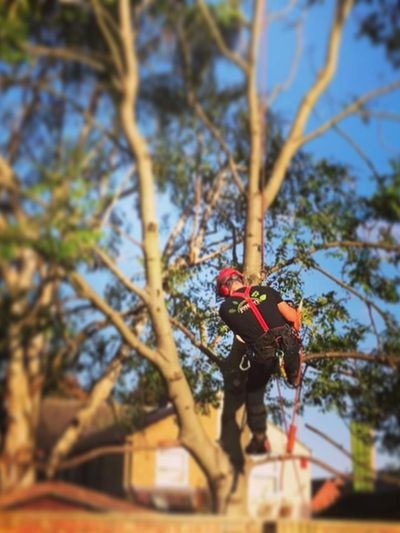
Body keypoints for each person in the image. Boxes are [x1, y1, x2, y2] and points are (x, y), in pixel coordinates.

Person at [216, 266, 302, 473]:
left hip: (264, 356)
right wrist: (295, 323)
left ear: (225, 290)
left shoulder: (225, 309)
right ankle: (293, 375)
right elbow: (292, 317)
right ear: (240, 279)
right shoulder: (265, 291)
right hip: (288, 345)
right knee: (292, 349)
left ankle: (260, 438)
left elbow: (244, 336)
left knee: (254, 391)